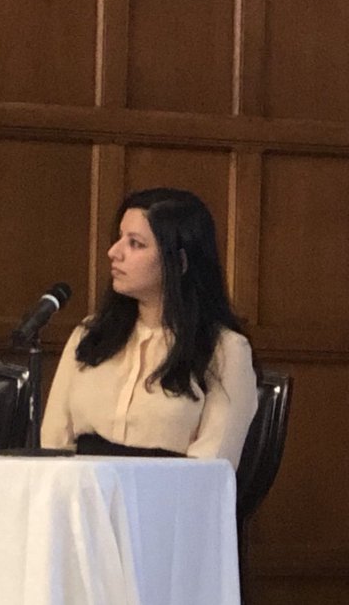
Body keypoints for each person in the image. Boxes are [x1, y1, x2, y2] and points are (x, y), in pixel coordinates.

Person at [41, 188, 257, 465]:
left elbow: (211, 467)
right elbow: (54, 444)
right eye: (119, 238)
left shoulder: (226, 350)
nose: (113, 252)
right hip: (82, 488)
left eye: (135, 244)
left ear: (179, 262)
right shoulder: (90, 333)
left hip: (169, 489)